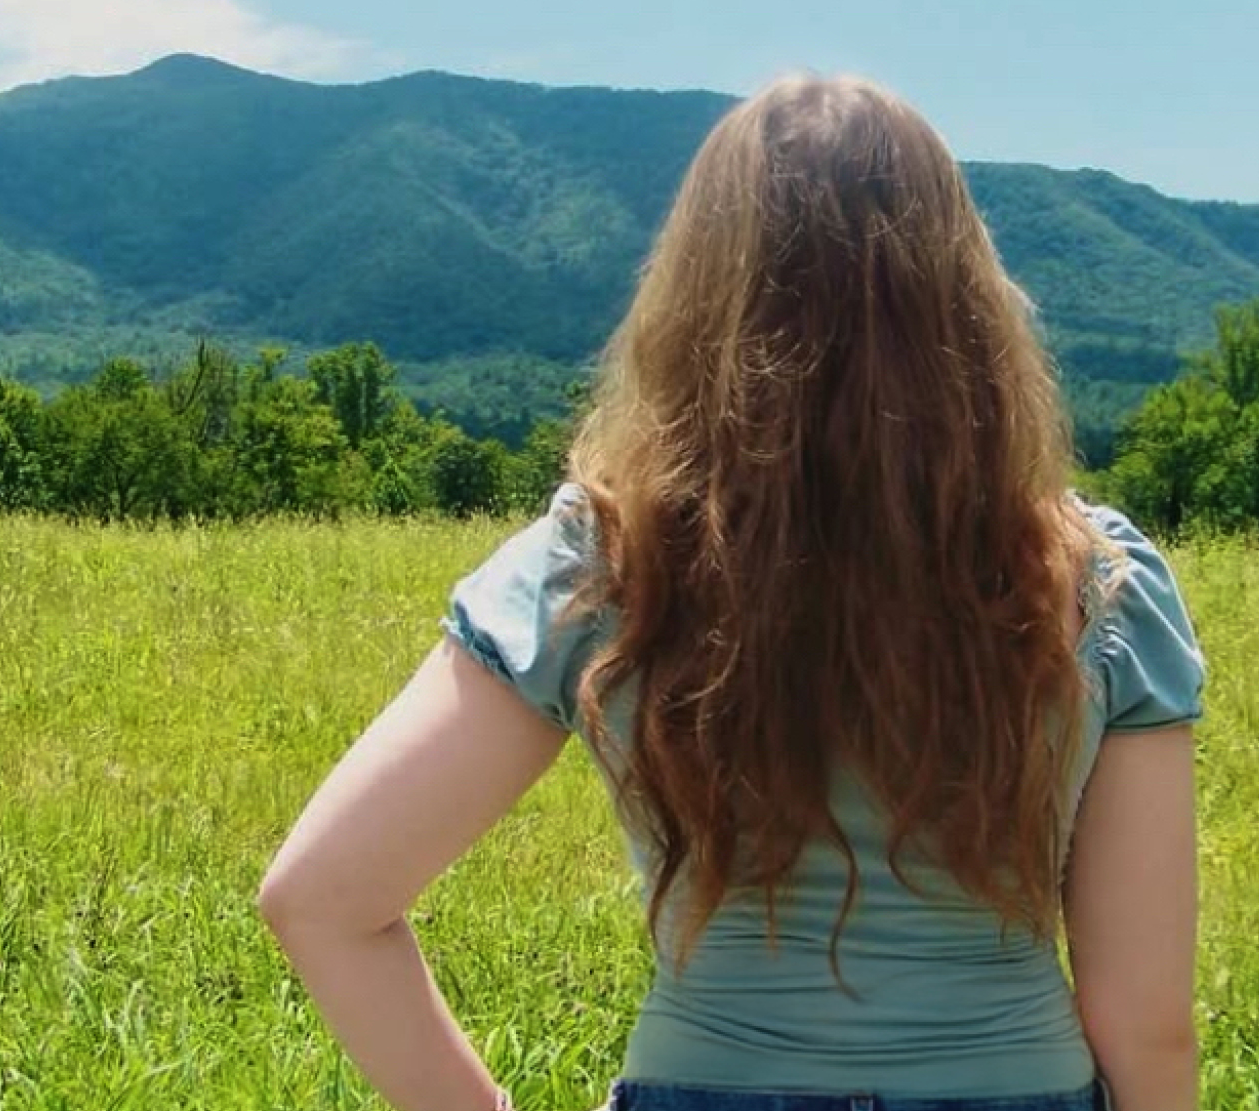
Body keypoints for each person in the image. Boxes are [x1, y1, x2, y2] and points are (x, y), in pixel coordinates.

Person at [260, 76, 1205, 1111]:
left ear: (699, 289)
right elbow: (1146, 1020)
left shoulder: (599, 559)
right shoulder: (1100, 580)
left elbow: (323, 899)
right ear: (965, 292)